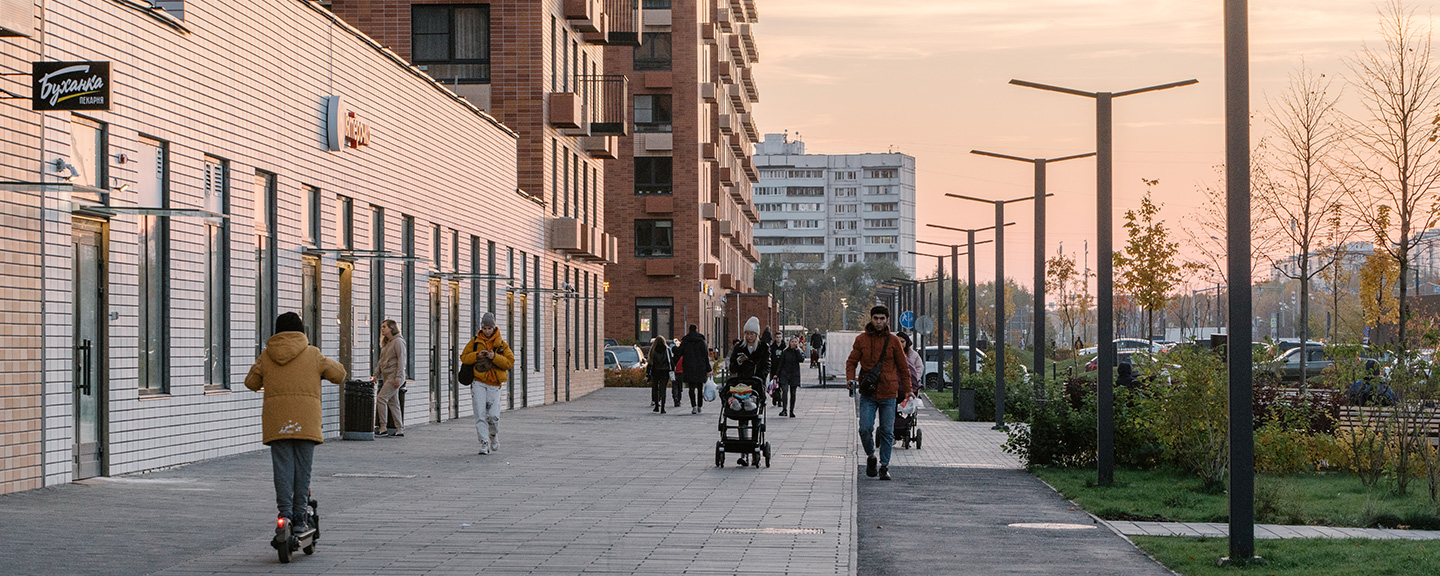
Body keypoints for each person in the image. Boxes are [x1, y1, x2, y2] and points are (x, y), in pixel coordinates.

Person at [245, 312, 346, 533]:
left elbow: (251, 382)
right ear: (302, 330)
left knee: (282, 470)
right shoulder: (313, 354)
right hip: (306, 421)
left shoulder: (266, 355)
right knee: (303, 470)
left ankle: (284, 513)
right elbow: (339, 375)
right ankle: (300, 515)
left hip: (277, 422)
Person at [846, 305, 912, 481]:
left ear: (887, 320)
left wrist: (909, 391)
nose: (879, 322)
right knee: (865, 428)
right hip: (868, 393)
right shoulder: (862, 340)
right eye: (876, 318)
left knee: (887, 431)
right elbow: (851, 361)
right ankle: (871, 456)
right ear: (871, 319)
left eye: (882, 318)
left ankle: (884, 466)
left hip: (889, 393)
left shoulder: (893, 341)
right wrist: (850, 379)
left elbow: (903, 368)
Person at [462, 312, 514, 455]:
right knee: (480, 413)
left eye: (489, 328)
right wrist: (476, 356)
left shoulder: (502, 344)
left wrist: (494, 357)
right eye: (484, 328)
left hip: (494, 383)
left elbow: (509, 362)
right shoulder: (474, 342)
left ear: (494, 327)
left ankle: (493, 435)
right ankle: (483, 443)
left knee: (493, 416)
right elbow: (464, 357)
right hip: (478, 381)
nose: (487, 331)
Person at [374, 319, 407, 437]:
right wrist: (376, 374)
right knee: (393, 402)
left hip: (394, 375)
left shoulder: (398, 342)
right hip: (387, 375)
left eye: (384, 327)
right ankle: (399, 429)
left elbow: (401, 360)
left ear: (391, 328)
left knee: (381, 398)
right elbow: (381, 360)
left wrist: (398, 377)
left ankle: (383, 427)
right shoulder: (387, 342)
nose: (382, 329)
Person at [677, 324, 712, 414]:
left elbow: (679, 352)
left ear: (689, 330)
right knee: (700, 388)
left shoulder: (685, 341)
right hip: (700, 367)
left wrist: (673, 360)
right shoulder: (701, 341)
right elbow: (705, 356)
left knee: (691, 388)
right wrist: (708, 369)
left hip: (689, 367)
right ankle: (700, 406)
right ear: (696, 330)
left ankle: (694, 406)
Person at [776, 336, 804, 417]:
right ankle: (784, 409)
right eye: (793, 342)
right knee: (784, 391)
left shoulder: (798, 351)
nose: (794, 343)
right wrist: (777, 374)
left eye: (796, 342)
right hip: (785, 373)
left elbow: (801, 359)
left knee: (793, 393)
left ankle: (791, 410)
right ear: (789, 342)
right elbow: (781, 363)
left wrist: (797, 350)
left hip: (794, 374)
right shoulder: (785, 352)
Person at [647, 336, 673, 414]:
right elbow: (670, 361)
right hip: (665, 371)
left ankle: (656, 406)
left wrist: (648, 373)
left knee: (655, 388)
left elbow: (650, 362)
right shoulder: (667, 350)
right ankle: (663, 408)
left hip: (655, 371)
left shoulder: (653, 350)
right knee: (663, 389)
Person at [670, 338, 684, 408]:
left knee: (675, 386)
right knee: (680, 387)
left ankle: (675, 397)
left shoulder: (673, 358)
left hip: (675, 373)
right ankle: (678, 399)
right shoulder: (682, 357)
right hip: (681, 373)